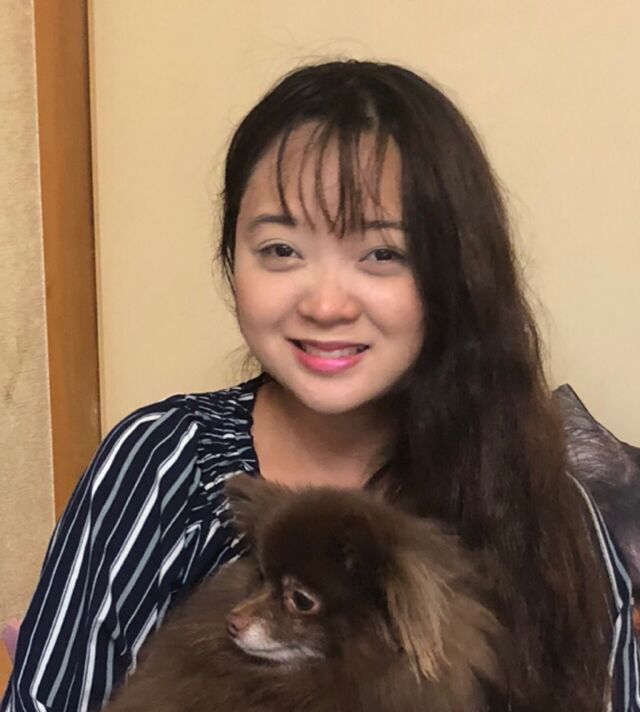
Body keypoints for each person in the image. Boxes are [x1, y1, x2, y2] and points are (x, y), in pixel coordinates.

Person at [2, 60, 638, 712]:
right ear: (231, 259)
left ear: (456, 276)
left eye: (382, 254)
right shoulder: (160, 465)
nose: (326, 305)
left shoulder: (545, 511)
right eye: (281, 250)